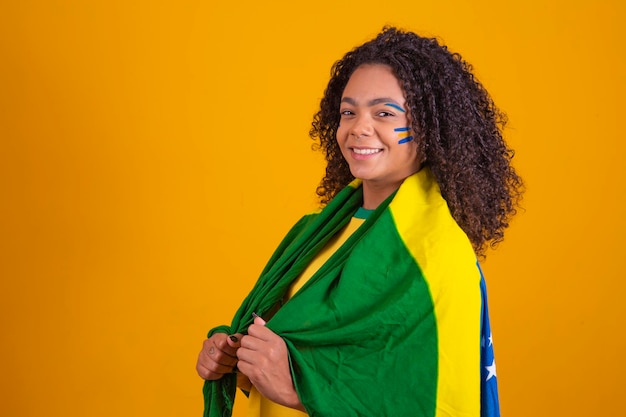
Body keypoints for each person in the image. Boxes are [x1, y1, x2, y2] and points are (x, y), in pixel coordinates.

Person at [196, 26, 523, 417]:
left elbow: (430, 400)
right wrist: (236, 358)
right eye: (348, 112)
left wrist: (300, 391)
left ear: (430, 129)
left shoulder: (438, 256)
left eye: (384, 113)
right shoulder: (314, 232)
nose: (358, 128)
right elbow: (297, 346)